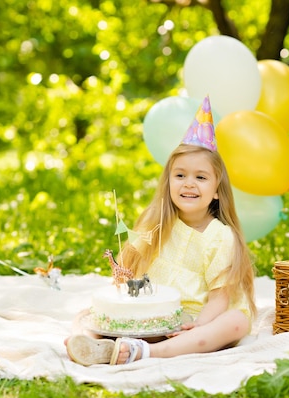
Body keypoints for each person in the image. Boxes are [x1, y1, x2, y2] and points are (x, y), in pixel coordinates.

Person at [65, 96, 256, 365]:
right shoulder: (156, 223)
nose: (189, 184)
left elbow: (219, 298)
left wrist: (200, 324)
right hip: (152, 319)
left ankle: (147, 353)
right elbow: (128, 272)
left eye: (200, 177)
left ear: (216, 191)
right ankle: (92, 345)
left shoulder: (220, 236)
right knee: (88, 314)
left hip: (198, 319)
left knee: (236, 322)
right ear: (168, 182)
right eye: (180, 175)